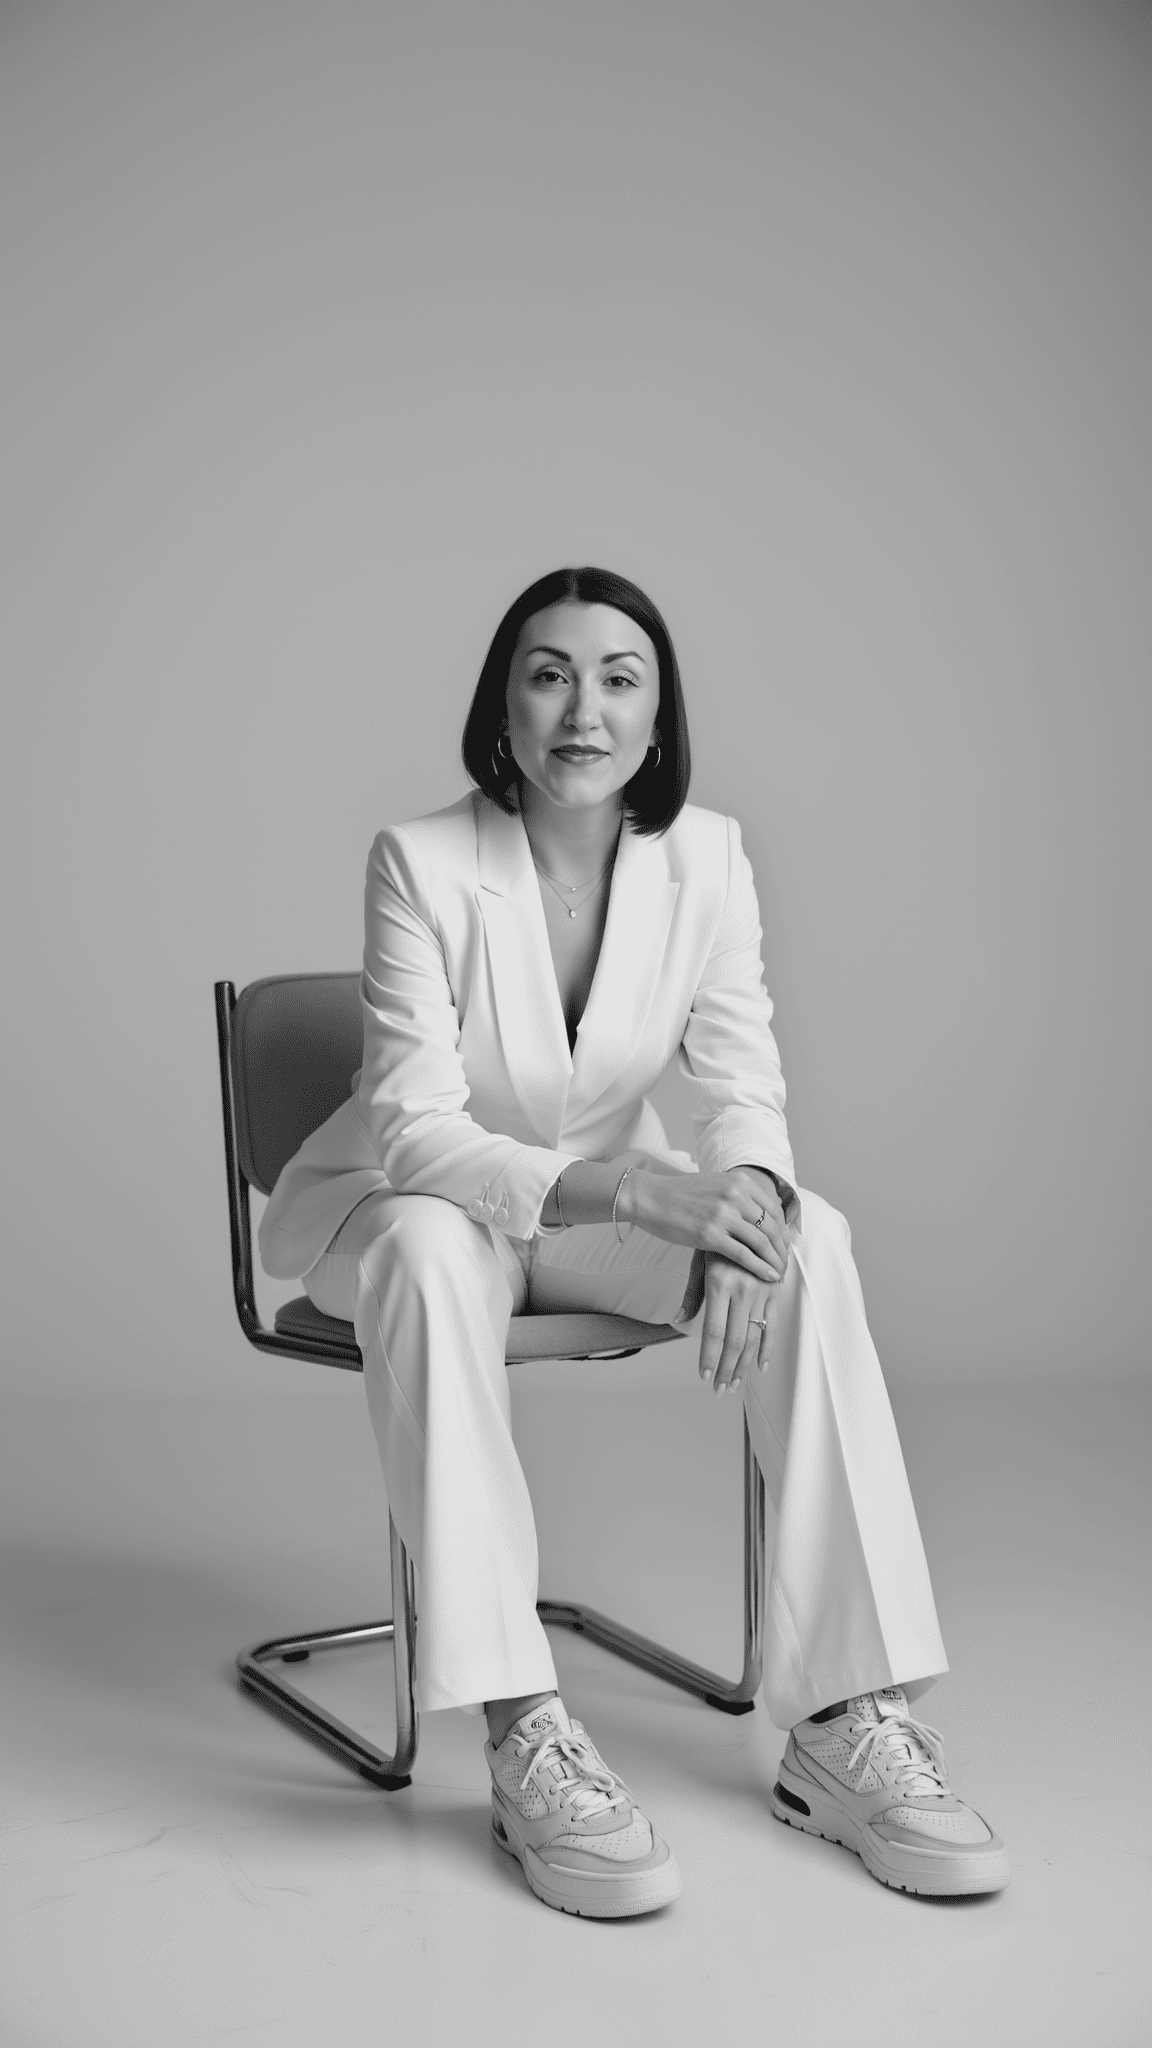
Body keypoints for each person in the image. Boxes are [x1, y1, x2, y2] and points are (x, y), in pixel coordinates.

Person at [259, 565, 1009, 1919]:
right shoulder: (419, 860)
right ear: (503, 704)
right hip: (403, 1208)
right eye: (549, 675)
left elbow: (744, 1085)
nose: (583, 711)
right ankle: (523, 1733)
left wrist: (749, 1208)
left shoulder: (707, 858)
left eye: (620, 680)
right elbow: (419, 1134)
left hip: (592, 1218)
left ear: (659, 719)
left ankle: (846, 1721)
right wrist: (631, 1195)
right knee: (429, 1252)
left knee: (809, 1238)